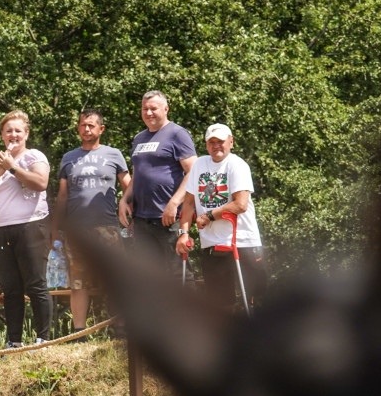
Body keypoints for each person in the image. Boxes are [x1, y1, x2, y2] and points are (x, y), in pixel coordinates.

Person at [0, 110, 52, 349]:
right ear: (2, 135)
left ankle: (43, 339)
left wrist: (12, 168)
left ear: (26, 133)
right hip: (0, 229)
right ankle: (14, 341)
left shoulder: (34, 156)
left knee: (35, 283)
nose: (13, 135)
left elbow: (40, 183)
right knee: (10, 288)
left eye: (18, 130)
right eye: (8, 131)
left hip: (30, 227)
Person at [51, 109, 131, 341]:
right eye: (83, 125)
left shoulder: (113, 154)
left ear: (101, 129)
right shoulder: (69, 157)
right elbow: (63, 196)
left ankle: (121, 329)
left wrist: (130, 206)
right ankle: (79, 332)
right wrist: (56, 228)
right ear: (78, 128)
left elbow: (128, 185)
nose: (87, 129)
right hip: (77, 231)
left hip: (107, 227)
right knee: (78, 282)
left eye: (91, 125)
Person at [175, 123, 268, 311]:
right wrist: (183, 233)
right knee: (220, 302)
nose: (216, 145)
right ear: (206, 144)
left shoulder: (237, 165)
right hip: (211, 243)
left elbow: (240, 204)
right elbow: (189, 203)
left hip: (242, 241)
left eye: (220, 141)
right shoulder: (200, 164)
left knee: (254, 300)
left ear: (231, 142)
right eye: (211, 142)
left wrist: (209, 215)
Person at [118, 90, 197, 276]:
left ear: (166, 109)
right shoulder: (139, 138)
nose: (148, 113)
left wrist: (174, 203)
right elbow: (137, 174)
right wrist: (124, 199)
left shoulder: (177, 134)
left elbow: (194, 171)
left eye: (153, 108)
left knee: (179, 273)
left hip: (169, 217)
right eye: (145, 109)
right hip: (142, 219)